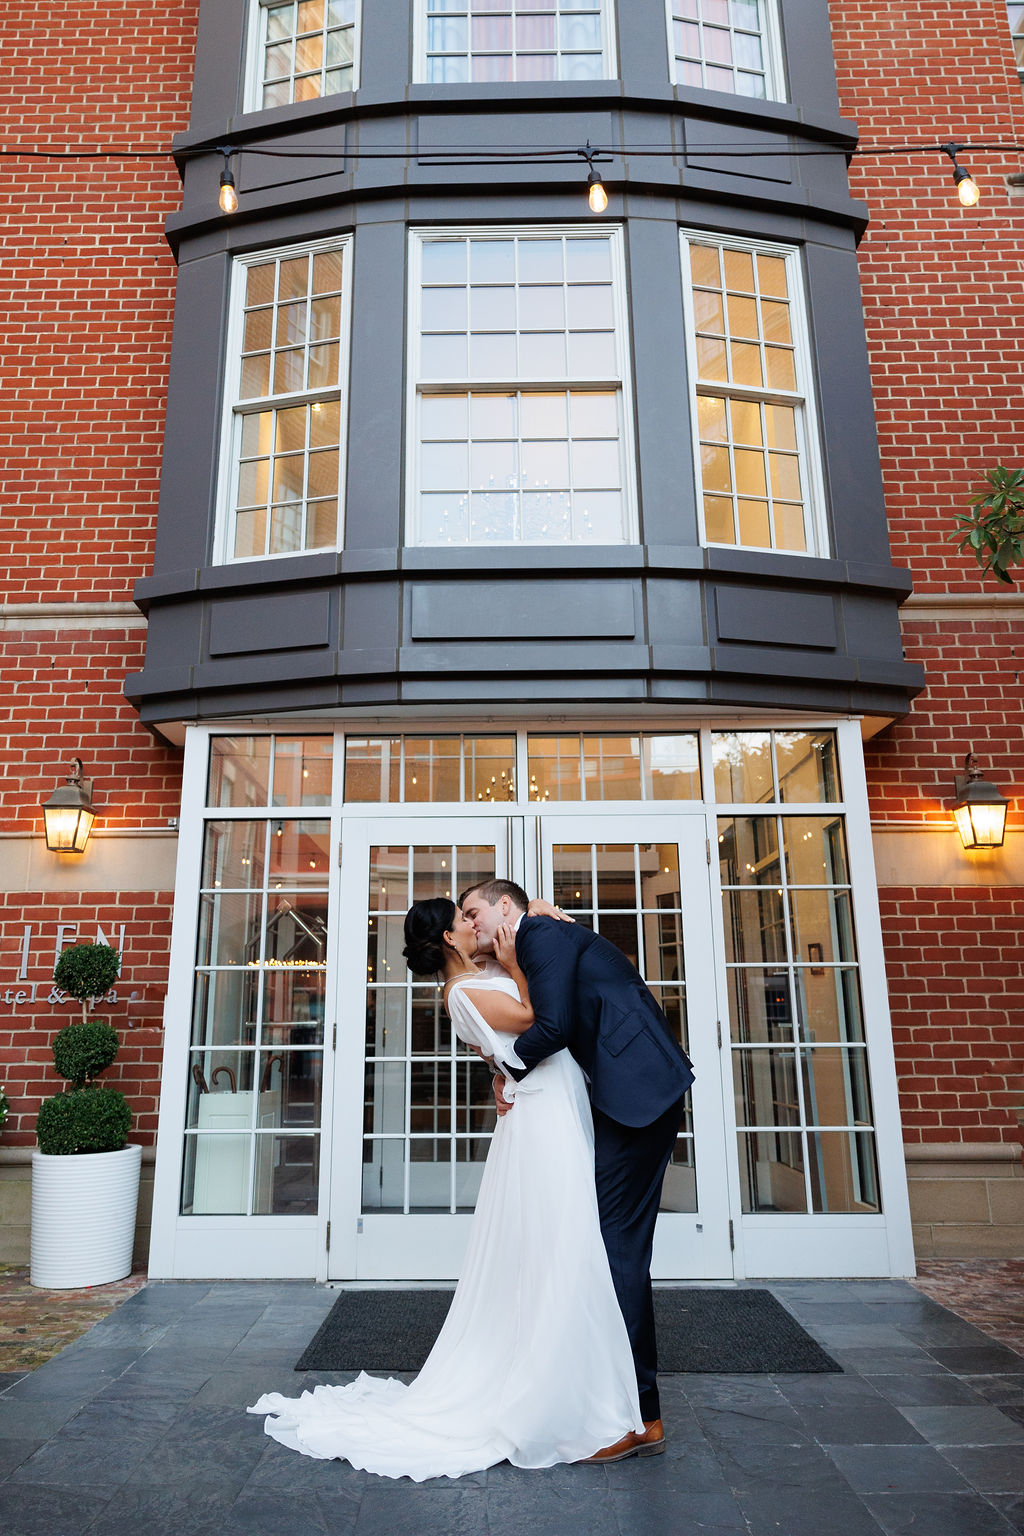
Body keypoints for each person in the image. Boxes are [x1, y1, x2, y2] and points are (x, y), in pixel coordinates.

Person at [248, 896, 644, 1480]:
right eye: (463, 920)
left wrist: (533, 913)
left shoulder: (475, 978)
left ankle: (574, 1381)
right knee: (561, 1242)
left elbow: (503, 1049)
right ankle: (560, 1397)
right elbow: (541, 1020)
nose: (474, 923)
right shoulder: (466, 991)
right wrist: (514, 967)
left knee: (559, 1240)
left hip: (545, 1102)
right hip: (541, 1118)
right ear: (450, 941)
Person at [459, 877, 695, 1461]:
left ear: (504, 908)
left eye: (474, 913)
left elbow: (554, 1025)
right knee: (606, 1247)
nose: (470, 927)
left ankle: (634, 1418)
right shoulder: (538, 932)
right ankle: (635, 1412)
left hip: (637, 1098)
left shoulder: (538, 935)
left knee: (613, 1250)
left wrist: (507, 1071)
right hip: (625, 1097)